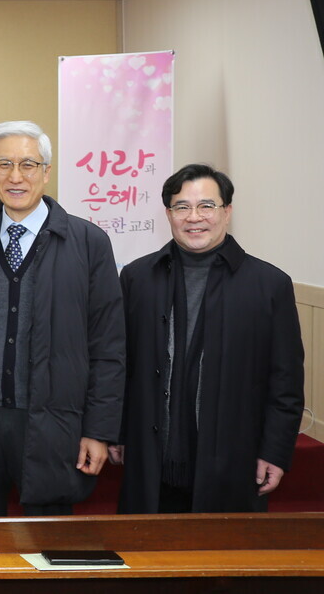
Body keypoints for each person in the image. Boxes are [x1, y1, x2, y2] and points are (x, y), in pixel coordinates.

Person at [0, 121, 125, 516]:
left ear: (47, 171)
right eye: (3, 164)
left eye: (28, 164)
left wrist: (99, 429)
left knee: (49, 548)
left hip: (54, 423)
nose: (15, 176)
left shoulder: (89, 244)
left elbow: (108, 345)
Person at [113, 164, 305, 513]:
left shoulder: (269, 284)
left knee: (223, 562)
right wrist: (118, 431)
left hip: (234, 463)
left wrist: (275, 451)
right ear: (168, 214)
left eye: (207, 206)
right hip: (151, 463)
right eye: (182, 206)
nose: (194, 217)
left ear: (227, 212)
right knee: (149, 560)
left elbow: (286, 382)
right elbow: (122, 366)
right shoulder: (137, 278)